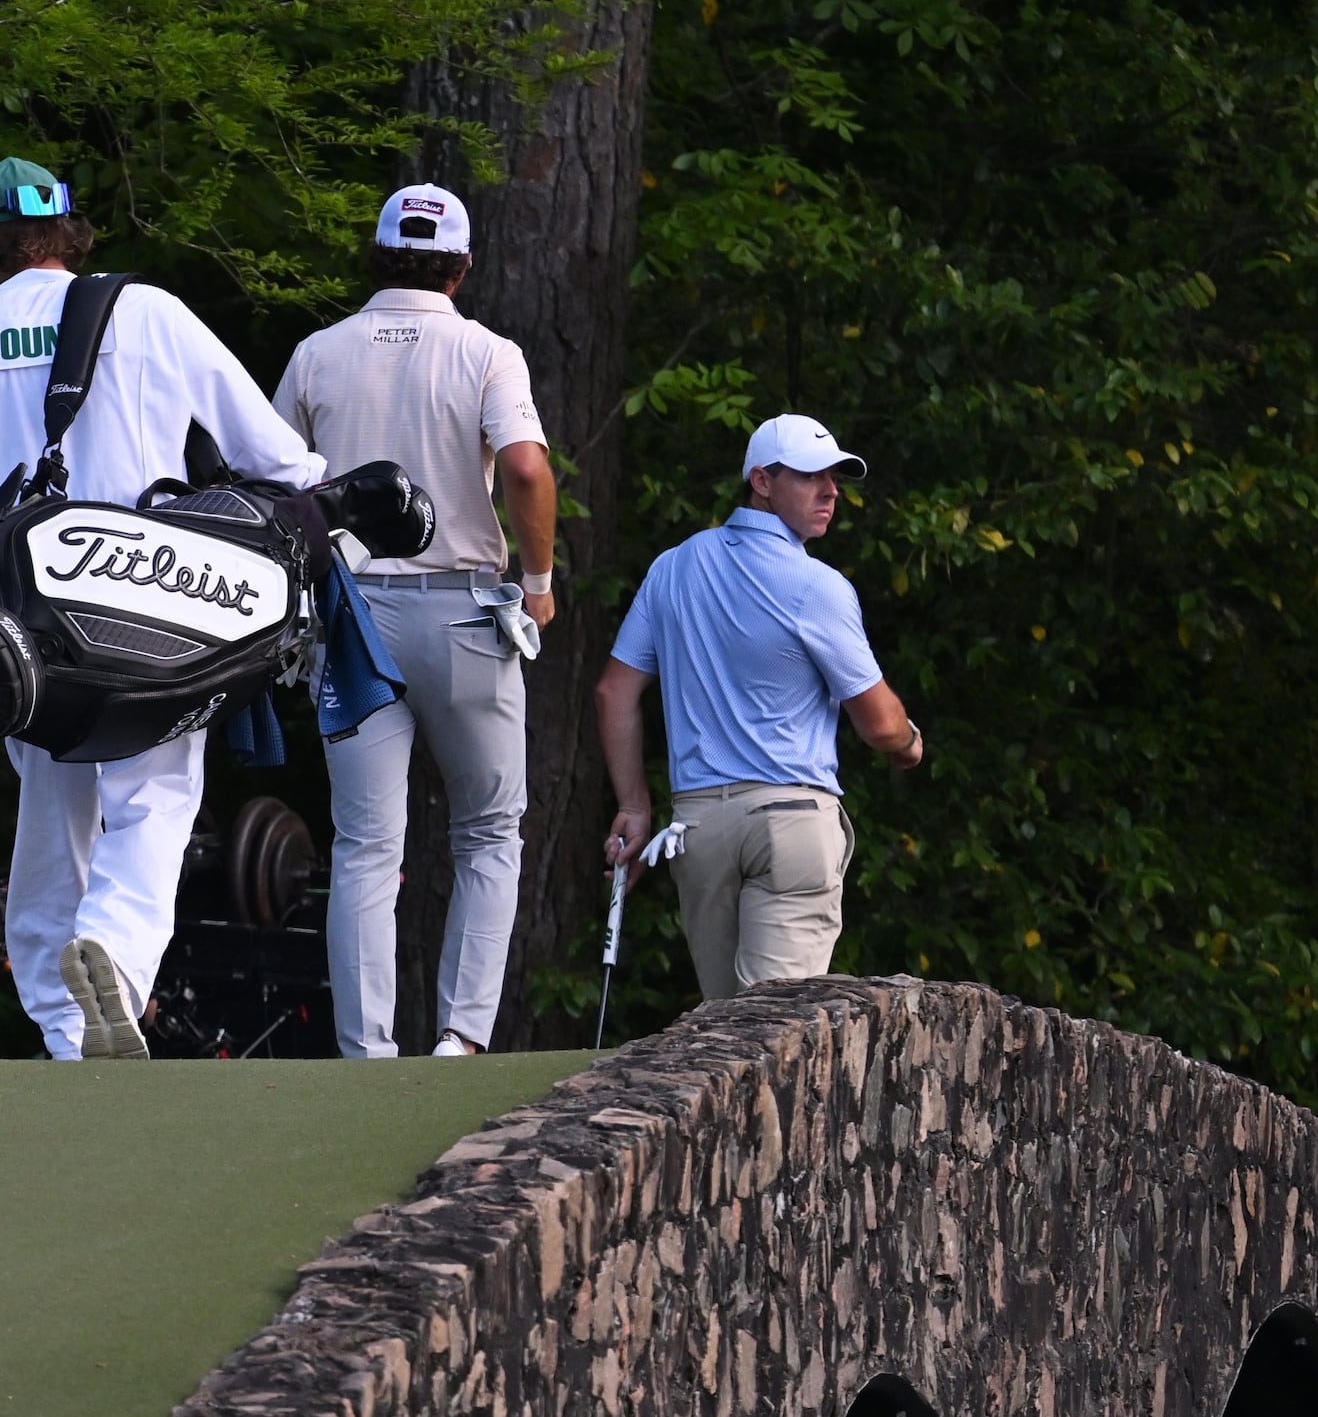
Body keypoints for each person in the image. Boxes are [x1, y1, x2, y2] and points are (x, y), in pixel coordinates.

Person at [0, 158, 326, 1059]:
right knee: (155, 798)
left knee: (53, 812)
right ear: (69, 232)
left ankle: (62, 1023)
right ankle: (118, 960)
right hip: (147, 608)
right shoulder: (147, 313)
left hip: (10, 629)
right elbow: (275, 457)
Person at [271, 183, 559, 1058]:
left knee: (363, 844)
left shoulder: (318, 352)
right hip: (465, 615)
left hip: (352, 616)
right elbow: (526, 470)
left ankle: (368, 1054)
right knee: (487, 829)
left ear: (379, 254)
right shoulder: (485, 351)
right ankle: (461, 1040)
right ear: (463, 266)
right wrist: (539, 578)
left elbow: (272, 485)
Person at [595, 414, 925, 998]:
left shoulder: (672, 567)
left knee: (727, 1040)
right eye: (810, 477)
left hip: (698, 829)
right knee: (772, 1045)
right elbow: (880, 725)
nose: (830, 491)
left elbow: (615, 691)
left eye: (835, 478)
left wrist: (634, 806)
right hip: (791, 822)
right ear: (762, 481)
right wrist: (909, 744)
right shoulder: (817, 586)